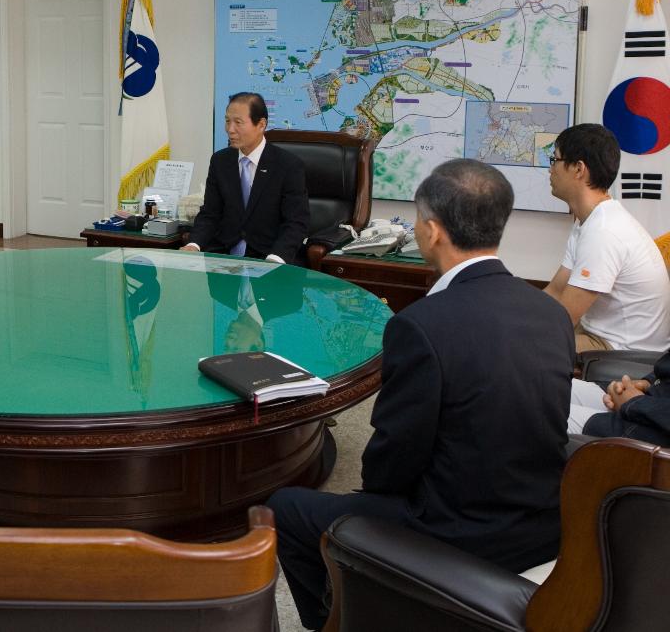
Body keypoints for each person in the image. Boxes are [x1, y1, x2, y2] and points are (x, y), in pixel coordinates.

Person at [267, 159, 574, 630]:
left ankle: (332, 620)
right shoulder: (549, 313)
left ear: (431, 232)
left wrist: (374, 501)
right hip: (543, 526)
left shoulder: (421, 325)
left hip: (456, 532)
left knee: (285, 508)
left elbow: (392, 461)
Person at [544, 123, 670, 353]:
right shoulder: (589, 220)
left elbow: (562, 320)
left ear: (578, 169)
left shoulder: (604, 231)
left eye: (555, 160)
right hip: (599, 336)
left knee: (526, 347)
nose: (550, 169)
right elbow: (555, 291)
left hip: (624, 353)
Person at [182, 92, 309, 263]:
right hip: (223, 256)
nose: (230, 129)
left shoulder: (288, 165)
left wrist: (276, 258)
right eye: (227, 121)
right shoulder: (221, 161)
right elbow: (210, 214)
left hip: (268, 256)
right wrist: (194, 244)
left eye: (238, 122)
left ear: (261, 124)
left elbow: (295, 223)